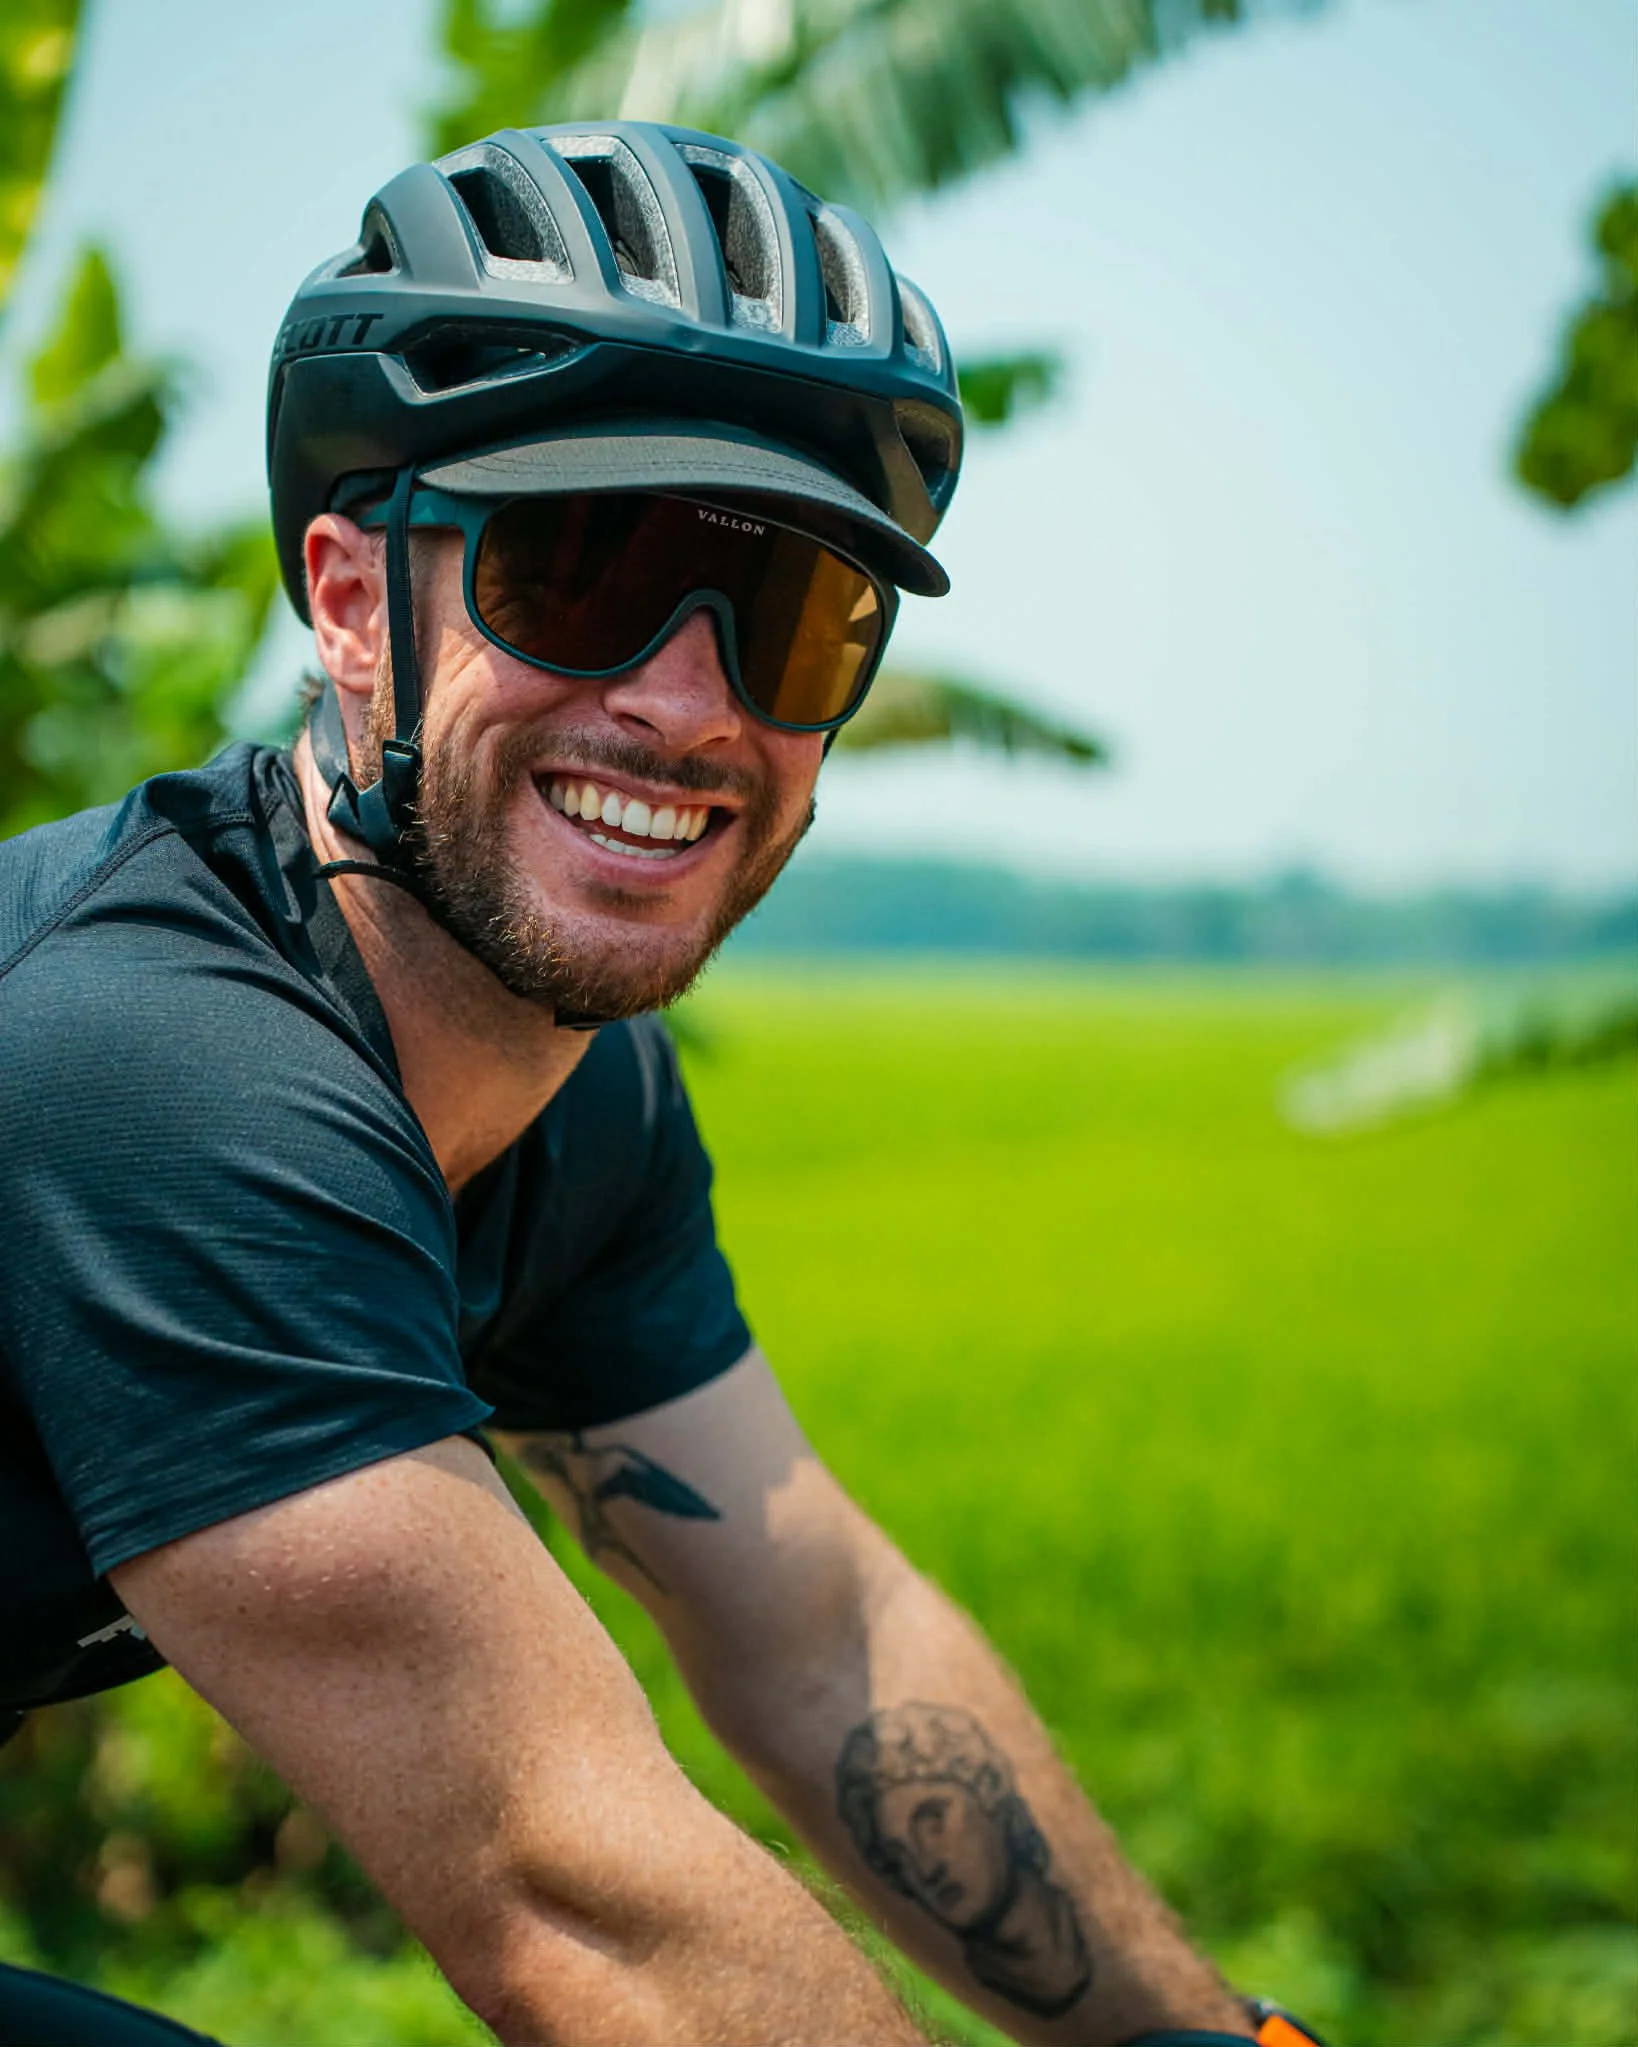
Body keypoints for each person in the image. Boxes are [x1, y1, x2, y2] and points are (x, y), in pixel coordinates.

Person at [0, 122, 1321, 2047]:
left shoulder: (577, 1091)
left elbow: (817, 1636)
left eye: (791, 616)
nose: (692, 704)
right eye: (577, 567)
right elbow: (576, 1888)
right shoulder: (154, 1064)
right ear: (352, 602)